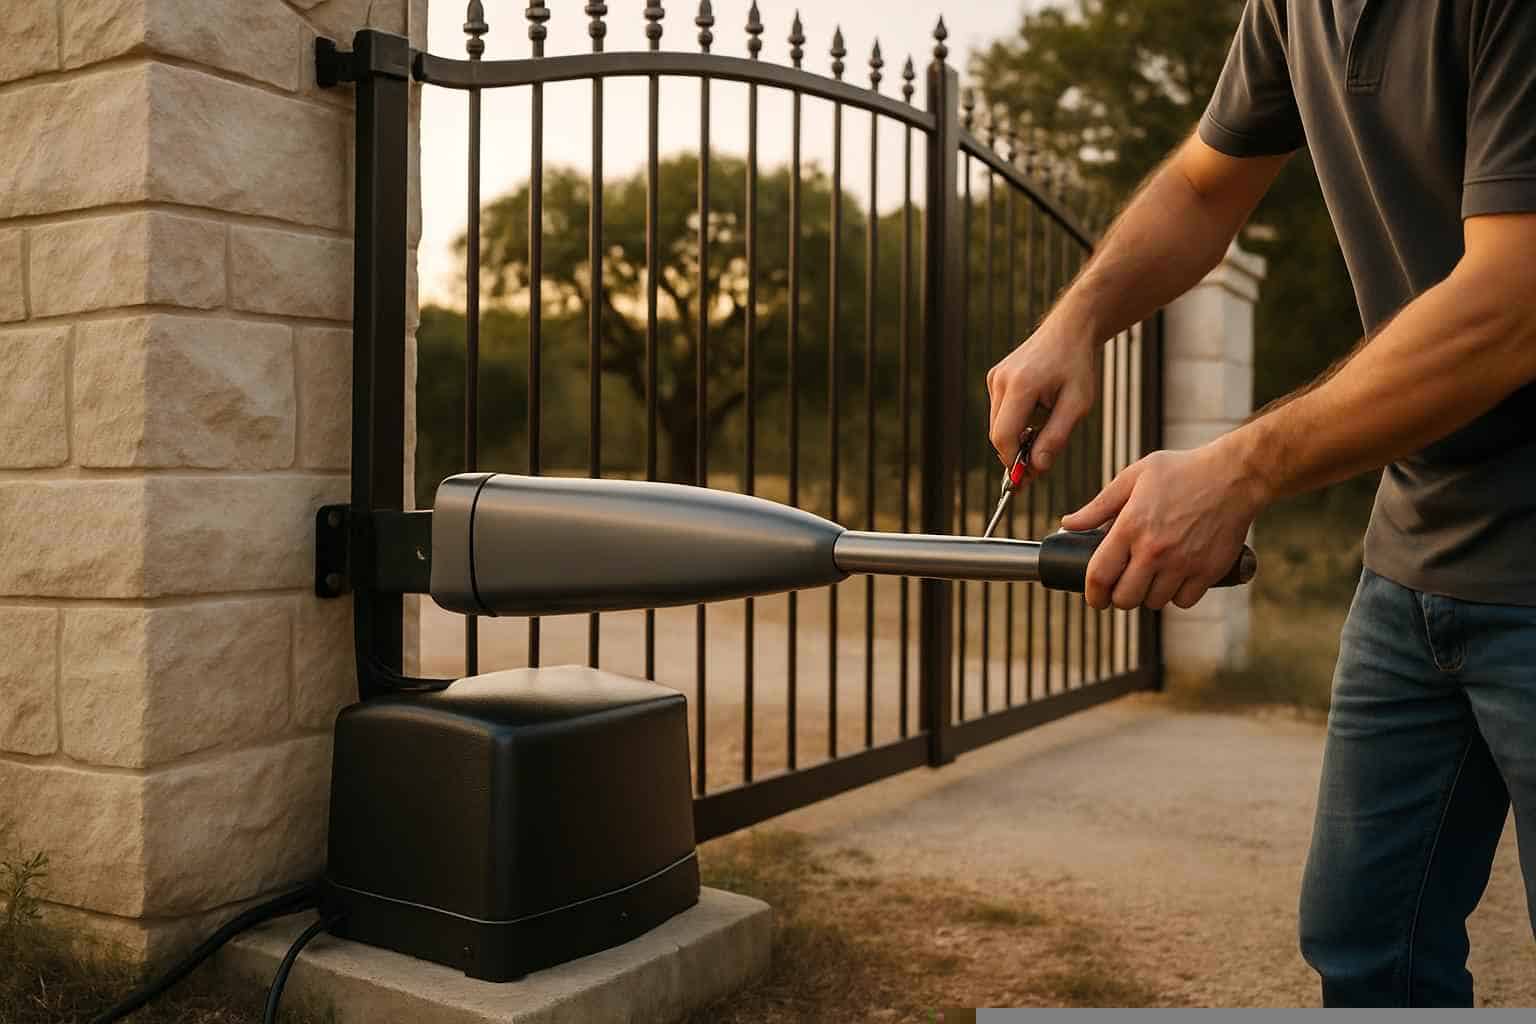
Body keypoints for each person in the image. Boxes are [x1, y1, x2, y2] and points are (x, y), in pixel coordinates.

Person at [984, 0, 1536, 1008]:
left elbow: (1513, 304)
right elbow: (1202, 185)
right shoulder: (1291, 9)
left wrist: (1238, 470)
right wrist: (1078, 318)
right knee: (1366, 951)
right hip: (1416, 561)